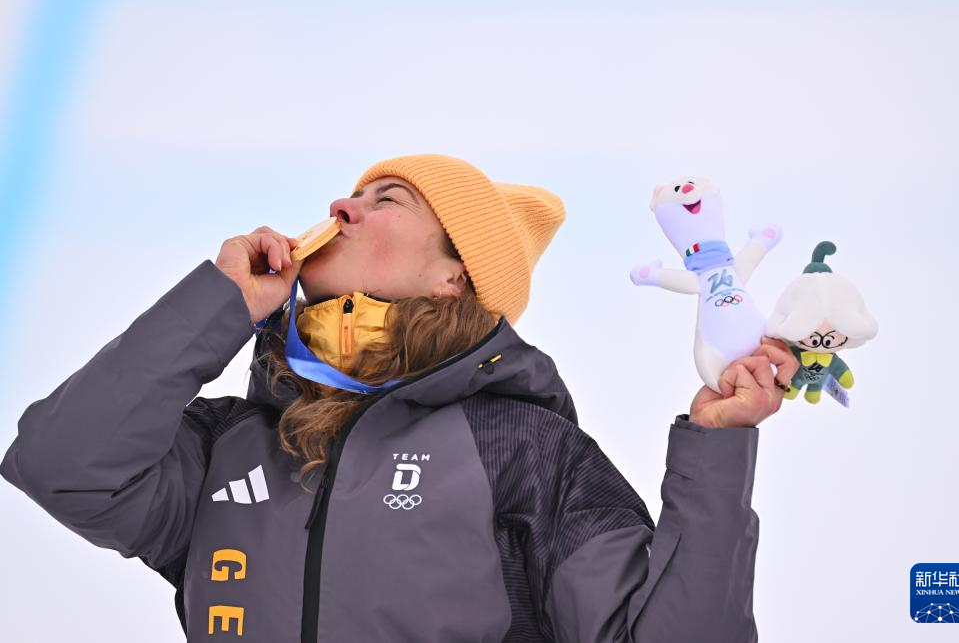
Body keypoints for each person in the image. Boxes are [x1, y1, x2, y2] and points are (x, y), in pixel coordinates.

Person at [1, 153, 799, 642]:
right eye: (353, 193)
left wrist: (717, 451)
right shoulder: (234, 443)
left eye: (387, 199)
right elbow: (62, 466)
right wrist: (222, 303)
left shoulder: (521, 449)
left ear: (454, 277)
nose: (341, 207)